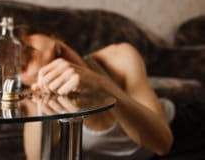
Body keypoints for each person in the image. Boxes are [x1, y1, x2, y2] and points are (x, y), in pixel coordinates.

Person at [20, 33, 174, 160]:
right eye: (52, 71)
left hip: (176, 130)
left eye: (60, 52)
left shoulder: (119, 56)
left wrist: (101, 85)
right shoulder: (39, 102)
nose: (67, 67)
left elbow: (162, 144)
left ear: (59, 40)